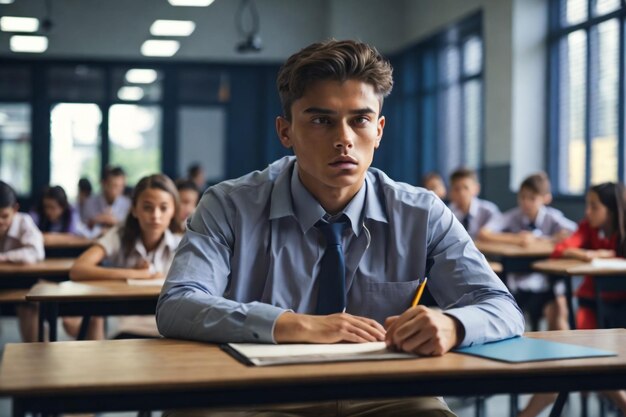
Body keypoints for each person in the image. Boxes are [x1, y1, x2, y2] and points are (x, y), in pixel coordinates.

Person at [157, 39, 524, 417]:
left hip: (384, 392)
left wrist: (452, 325)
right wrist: (292, 325)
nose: (344, 138)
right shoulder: (228, 205)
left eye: (360, 120)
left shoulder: (421, 212)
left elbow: (502, 308)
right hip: (255, 389)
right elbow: (177, 305)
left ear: (379, 130)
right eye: (321, 120)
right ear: (286, 132)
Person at [518, 182, 626, 417]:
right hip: (591, 305)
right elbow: (561, 250)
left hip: (621, 309)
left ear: (612, 209)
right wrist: (589, 254)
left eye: (594, 206)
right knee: (584, 360)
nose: (587, 212)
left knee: (587, 365)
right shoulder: (587, 227)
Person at [68, 174, 183, 339]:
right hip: (127, 330)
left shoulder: (184, 243)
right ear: (134, 209)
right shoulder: (120, 235)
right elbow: (78, 269)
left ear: (173, 210)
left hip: (172, 331)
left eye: (163, 208)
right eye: (147, 207)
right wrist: (136, 274)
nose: (156, 216)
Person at [478, 173, 577, 331]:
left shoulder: (552, 217)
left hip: (545, 284)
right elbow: (485, 232)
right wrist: (516, 239)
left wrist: (544, 239)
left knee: (559, 310)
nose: (526, 202)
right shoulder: (513, 216)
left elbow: (574, 232)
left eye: (532, 198)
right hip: (516, 284)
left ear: (545, 198)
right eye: (522, 197)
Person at [0, 181, 45, 342]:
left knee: (30, 307)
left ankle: (35, 355)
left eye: (4, 216)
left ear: (15, 209)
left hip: (21, 281)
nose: (0, 221)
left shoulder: (24, 221)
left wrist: (4, 257)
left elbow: (36, 252)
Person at [448, 168, 500, 239]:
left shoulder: (489, 211)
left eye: (466, 188)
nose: (461, 193)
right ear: (451, 191)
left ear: (476, 189)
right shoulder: (447, 212)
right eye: (456, 189)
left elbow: (497, 234)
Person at [81, 166, 131, 236]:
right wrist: (98, 219)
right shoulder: (90, 202)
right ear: (104, 184)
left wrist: (114, 221)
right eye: (115, 186)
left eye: (121, 186)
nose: (119, 190)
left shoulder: (127, 203)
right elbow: (83, 228)